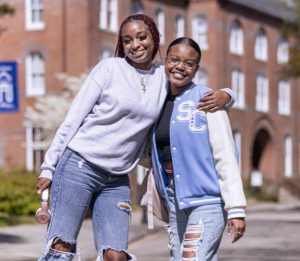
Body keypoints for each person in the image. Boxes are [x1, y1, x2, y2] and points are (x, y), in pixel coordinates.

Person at [35, 15, 235, 261]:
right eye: (127, 40)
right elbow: (72, 120)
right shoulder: (109, 68)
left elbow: (193, 90)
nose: (135, 45)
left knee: (116, 256)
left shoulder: (164, 77)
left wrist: (227, 95)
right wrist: (48, 168)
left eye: (142, 37)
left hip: (117, 178)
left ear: (154, 38)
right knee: (61, 249)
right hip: (79, 166)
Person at [150, 37, 247, 261]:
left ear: (196, 68)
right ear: (165, 61)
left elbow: (226, 155)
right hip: (175, 198)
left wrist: (236, 208)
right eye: (174, 59)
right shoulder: (156, 100)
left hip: (208, 200)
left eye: (189, 63)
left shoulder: (208, 99)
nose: (180, 67)